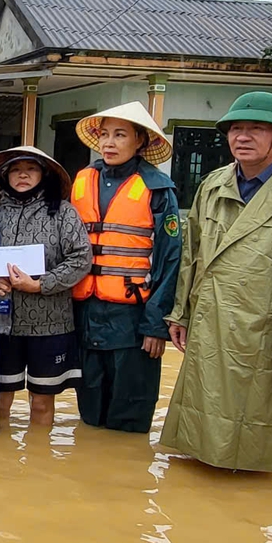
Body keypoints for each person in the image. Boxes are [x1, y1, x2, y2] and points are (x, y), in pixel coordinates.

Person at [164, 92, 272, 473]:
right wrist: (180, 313)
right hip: (208, 313)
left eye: (256, 128)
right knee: (198, 410)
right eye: (236, 129)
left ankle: (243, 495)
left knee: (249, 417)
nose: (243, 137)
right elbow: (192, 253)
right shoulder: (213, 184)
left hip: (261, 323)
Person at [69, 104, 183, 433]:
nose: (109, 143)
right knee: (89, 417)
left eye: (120, 135)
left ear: (140, 141)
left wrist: (156, 326)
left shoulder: (159, 189)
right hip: (86, 316)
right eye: (104, 134)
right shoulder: (82, 181)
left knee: (128, 421)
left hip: (133, 323)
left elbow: (169, 259)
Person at [0, 146, 92, 427]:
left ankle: (39, 461)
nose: (23, 175)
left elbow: (81, 258)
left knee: (42, 402)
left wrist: (40, 284)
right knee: (0, 399)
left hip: (51, 323)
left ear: (44, 174)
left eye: (31, 169)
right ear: (5, 176)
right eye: (16, 170)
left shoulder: (63, 213)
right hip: (3, 322)